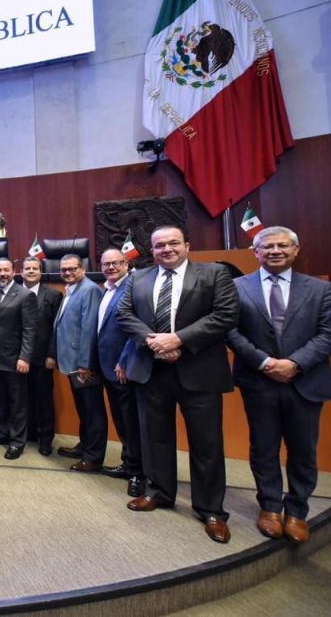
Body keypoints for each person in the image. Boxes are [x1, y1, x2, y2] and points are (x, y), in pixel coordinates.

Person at [118, 225, 239, 544]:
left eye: (173, 243)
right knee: (155, 437)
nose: (166, 249)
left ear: (187, 244)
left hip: (198, 369)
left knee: (206, 443)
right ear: (152, 250)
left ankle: (211, 509)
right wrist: (153, 342)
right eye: (159, 245)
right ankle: (160, 492)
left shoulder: (214, 274)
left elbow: (225, 315)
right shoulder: (138, 278)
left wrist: (179, 340)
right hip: (152, 368)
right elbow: (124, 314)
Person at [227, 227, 331, 543]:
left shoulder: (320, 290)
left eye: (282, 246)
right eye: (267, 246)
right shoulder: (237, 287)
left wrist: (294, 364)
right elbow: (231, 332)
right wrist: (265, 362)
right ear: (256, 252)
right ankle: (270, 508)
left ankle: (297, 512)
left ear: (295, 250)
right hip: (258, 380)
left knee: (303, 450)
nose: (274, 250)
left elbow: (329, 335)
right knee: (263, 448)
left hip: (304, 381)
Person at [49, 254, 106, 473]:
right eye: (64, 270)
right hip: (73, 363)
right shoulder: (71, 290)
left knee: (92, 411)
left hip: (84, 365)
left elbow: (89, 329)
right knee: (84, 408)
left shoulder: (89, 290)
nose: (67, 273)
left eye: (72, 269)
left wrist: (85, 364)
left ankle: (93, 457)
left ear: (82, 268)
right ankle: (85, 446)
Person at [95, 249, 145, 497]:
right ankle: (128, 462)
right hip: (107, 366)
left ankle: (138, 472)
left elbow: (134, 329)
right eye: (106, 264)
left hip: (122, 367)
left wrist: (124, 361)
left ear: (126, 263)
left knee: (130, 421)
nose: (111, 267)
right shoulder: (108, 289)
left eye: (116, 263)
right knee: (121, 419)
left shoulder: (132, 288)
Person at [0, 257, 37, 460]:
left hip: (14, 360)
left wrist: (24, 357)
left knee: (17, 403)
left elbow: (30, 330)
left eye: (6, 270)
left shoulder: (25, 295)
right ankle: (2, 433)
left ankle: (17, 442)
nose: (2, 274)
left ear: (13, 272)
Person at [20, 256, 63, 455]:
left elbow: (57, 328)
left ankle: (45, 438)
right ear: (21, 272)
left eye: (34, 268)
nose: (30, 271)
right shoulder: (14, 293)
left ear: (40, 272)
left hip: (42, 357)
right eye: (27, 268)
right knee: (23, 398)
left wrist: (52, 354)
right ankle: (28, 434)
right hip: (17, 358)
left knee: (44, 400)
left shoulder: (53, 295)